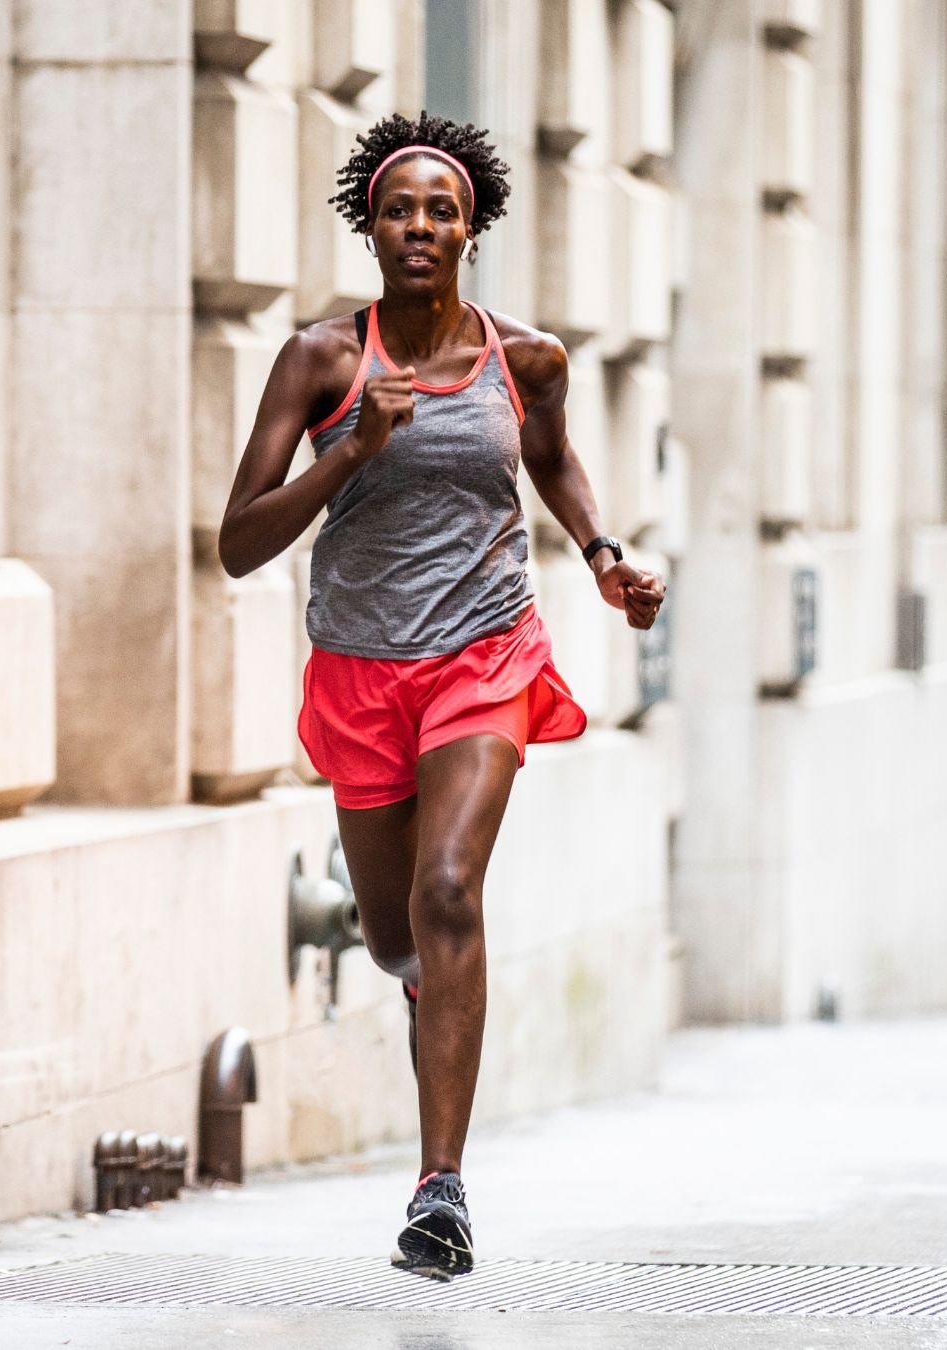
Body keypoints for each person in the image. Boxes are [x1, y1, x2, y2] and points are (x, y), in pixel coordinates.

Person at [217, 112, 667, 1280]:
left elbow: (552, 454)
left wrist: (604, 549)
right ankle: (425, 993)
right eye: (399, 208)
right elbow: (237, 542)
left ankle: (440, 1190)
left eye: (442, 209)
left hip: (485, 653)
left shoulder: (529, 360)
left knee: (451, 889)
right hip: (362, 670)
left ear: (473, 227)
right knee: (392, 937)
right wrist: (350, 450)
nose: (420, 225)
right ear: (370, 224)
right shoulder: (321, 361)